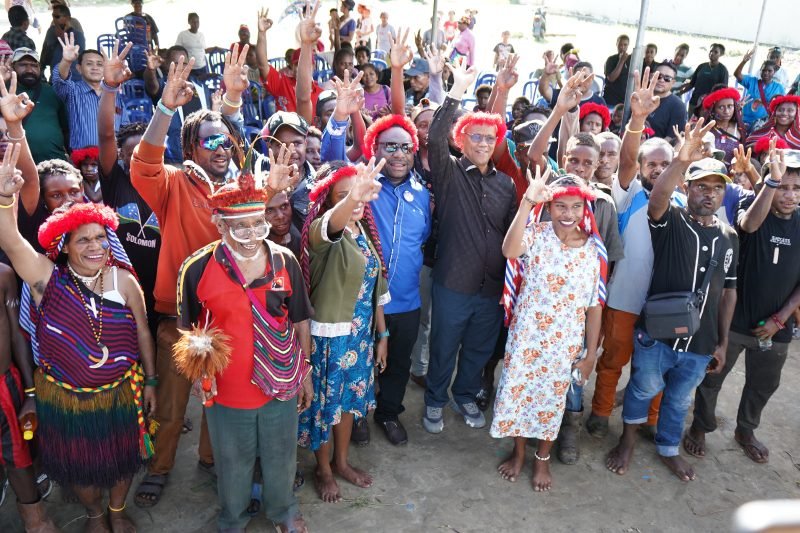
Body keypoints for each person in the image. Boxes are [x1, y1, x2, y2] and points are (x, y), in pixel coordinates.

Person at [0, 142, 157, 530]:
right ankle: (96, 515)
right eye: (83, 240)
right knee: (82, 470)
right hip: (66, 400)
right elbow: (10, 241)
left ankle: (118, 512)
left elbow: (141, 329)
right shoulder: (45, 280)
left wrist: (151, 380)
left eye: (100, 238)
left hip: (122, 392)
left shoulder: (123, 279)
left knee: (123, 460)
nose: (95, 247)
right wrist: (5, 198)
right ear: (64, 245)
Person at [132, 50, 263, 508]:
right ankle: (160, 467)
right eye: (210, 142)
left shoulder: (240, 188)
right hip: (177, 319)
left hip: (227, 316)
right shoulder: (171, 183)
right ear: (190, 149)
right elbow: (143, 163)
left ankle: (210, 460)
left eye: (225, 141)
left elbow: (238, 144)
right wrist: (166, 107)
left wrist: (231, 99)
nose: (221, 148)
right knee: (171, 406)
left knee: (219, 403)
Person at [177, 160, 313, 533]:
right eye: (240, 227)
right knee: (232, 460)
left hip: (282, 384)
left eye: (258, 224)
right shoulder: (196, 268)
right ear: (220, 225)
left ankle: (282, 510)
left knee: (282, 455)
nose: (252, 234)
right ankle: (232, 518)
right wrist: (201, 377)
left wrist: (306, 374)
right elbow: (190, 331)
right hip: (227, 391)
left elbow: (299, 319)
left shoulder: (284, 260)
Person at [606, 119, 740, 482]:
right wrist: (680, 160)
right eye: (701, 187)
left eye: (716, 188)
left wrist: (723, 343)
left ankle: (668, 448)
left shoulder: (729, 237)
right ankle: (628, 441)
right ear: (687, 187)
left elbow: (729, 292)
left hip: (701, 342)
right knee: (642, 389)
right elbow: (659, 196)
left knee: (679, 400)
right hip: (657, 334)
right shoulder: (672, 220)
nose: (709, 194)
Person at [683, 144, 800, 466]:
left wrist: (781, 318)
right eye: (783, 186)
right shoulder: (752, 207)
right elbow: (748, 226)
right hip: (734, 320)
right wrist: (768, 184)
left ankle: (746, 430)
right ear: (768, 186)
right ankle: (700, 426)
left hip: (775, 327)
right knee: (712, 377)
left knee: (764, 383)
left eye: (796, 188)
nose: (789, 195)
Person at [587, 69, 687, 438]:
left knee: (657, 367)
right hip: (624, 300)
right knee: (613, 361)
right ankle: (600, 412)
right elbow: (626, 160)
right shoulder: (629, 195)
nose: (658, 170)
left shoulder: (681, 203)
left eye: (665, 164)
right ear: (642, 168)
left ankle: (650, 421)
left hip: (665, 303)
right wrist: (639, 120)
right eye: (652, 164)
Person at [492, 169, 604, 492]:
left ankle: (541, 458)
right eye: (560, 207)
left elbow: (594, 305)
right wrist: (528, 201)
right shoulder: (536, 234)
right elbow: (509, 251)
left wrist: (590, 355)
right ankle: (518, 452)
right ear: (549, 207)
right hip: (527, 334)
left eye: (575, 207)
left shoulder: (593, 251)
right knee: (520, 393)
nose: (568, 214)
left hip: (563, 342)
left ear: (585, 210)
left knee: (551, 400)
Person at [421, 58, 517, 434]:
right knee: (444, 347)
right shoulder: (448, 174)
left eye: (488, 138)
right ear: (461, 141)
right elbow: (433, 138)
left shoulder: (506, 185)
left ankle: (465, 395)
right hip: (453, 284)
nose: (481, 143)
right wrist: (456, 91)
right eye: (474, 136)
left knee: (478, 349)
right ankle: (434, 401)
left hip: (491, 289)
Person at [297, 160, 389, 502]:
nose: (356, 200)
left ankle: (342, 462)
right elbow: (331, 224)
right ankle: (322, 469)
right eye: (345, 195)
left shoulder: (362, 230)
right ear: (329, 201)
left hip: (360, 338)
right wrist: (352, 199)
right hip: (330, 341)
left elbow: (375, 288)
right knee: (325, 407)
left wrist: (383, 335)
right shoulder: (324, 232)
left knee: (348, 403)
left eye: (360, 193)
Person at [98, 41, 160, 333]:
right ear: (121, 156)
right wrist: (109, 88)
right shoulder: (115, 181)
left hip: (161, 288)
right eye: (131, 153)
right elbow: (107, 134)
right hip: (123, 286)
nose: (138, 158)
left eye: (144, 152)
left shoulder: (165, 182)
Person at [53, 35, 114, 151]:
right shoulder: (73, 91)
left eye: (100, 64)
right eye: (89, 63)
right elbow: (59, 81)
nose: (95, 67)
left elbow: (124, 126)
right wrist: (66, 61)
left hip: (112, 158)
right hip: (82, 161)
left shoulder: (113, 95)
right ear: (79, 68)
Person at [256, 9, 323, 114]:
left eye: (306, 65)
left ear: (314, 67)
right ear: (291, 66)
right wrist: (261, 33)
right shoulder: (282, 83)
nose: (300, 68)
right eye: (297, 64)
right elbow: (262, 66)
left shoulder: (321, 94)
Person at [10, 48, 68, 163]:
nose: (29, 70)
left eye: (34, 65)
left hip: (53, 166)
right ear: (13, 67)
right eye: (23, 65)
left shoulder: (52, 92)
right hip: (15, 167)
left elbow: (66, 130)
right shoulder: (5, 93)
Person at [735, 49, 785, 130]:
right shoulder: (752, 82)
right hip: (745, 121)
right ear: (760, 71)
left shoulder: (778, 87)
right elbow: (737, 74)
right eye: (764, 70)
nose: (766, 73)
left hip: (763, 124)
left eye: (769, 71)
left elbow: (781, 106)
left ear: (774, 72)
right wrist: (744, 61)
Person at [679, 43, 728, 116]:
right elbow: (692, 84)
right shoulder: (701, 66)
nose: (712, 53)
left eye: (716, 52)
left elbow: (723, 90)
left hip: (709, 105)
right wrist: (679, 92)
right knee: (690, 124)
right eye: (711, 51)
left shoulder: (723, 70)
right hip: (694, 102)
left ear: (721, 54)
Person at [701, 86, 746, 164]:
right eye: (721, 107)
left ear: (734, 107)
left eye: (730, 106)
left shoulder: (739, 128)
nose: (727, 111)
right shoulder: (707, 130)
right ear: (713, 109)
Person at [39, 3, 84, 81]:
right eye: (53, 16)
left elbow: (81, 57)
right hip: (55, 78)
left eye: (57, 17)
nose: (54, 19)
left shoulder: (78, 35)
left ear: (67, 18)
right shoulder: (51, 32)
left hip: (74, 79)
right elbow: (45, 56)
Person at [646, 61, 687, 140]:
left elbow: (671, 138)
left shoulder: (678, 106)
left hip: (657, 150)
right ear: (651, 76)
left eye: (667, 78)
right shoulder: (641, 97)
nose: (661, 80)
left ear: (673, 82)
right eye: (658, 76)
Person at [175, 13, 212, 78]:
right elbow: (177, 50)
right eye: (193, 22)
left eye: (197, 22)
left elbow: (204, 50)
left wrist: (215, 48)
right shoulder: (183, 35)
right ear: (189, 22)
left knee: (203, 85)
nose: (196, 24)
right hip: (190, 68)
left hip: (202, 67)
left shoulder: (201, 35)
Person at [603, 35, 631, 107]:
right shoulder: (611, 59)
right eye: (620, 45)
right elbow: (611, 78)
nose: (622, 47)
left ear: (628, 46)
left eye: (625, 45)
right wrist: (621, 61)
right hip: (611, 99)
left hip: (625, 100)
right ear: (616, 44)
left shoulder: (631, 60)